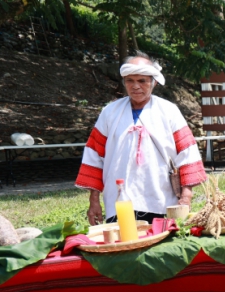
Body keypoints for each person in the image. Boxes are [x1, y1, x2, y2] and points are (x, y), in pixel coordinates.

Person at [76, 52, 207, 225]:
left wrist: (186, 196)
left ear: (154, 83)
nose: (136, 86)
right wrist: (94, 201)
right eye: (130, 80)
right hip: (118, 201)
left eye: (142, 81)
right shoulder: (110, 112)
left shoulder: (169, 111)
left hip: (161, 200)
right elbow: (94, 156)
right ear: (124, 82)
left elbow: (187, 154)